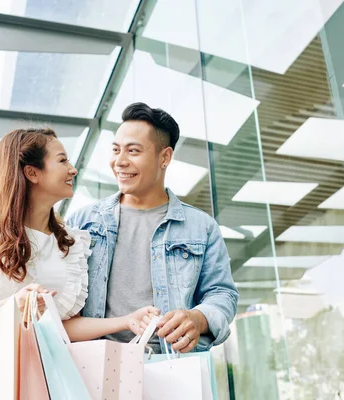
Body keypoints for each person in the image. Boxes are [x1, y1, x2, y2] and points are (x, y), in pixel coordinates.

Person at [0, 128, 157, 386]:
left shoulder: (70, 244)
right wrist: (16, 306)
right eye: (62, 160)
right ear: (32, 173)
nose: (73, 169)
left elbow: (61, 328)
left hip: (47, 381)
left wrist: (126, 321)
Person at [66, 102, 239, 355]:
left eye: (133, 151)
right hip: (96, 362)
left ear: (164, 157)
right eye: (116, 150)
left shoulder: (201, 227)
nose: (119, 162)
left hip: (172, 362)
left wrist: (198, 318)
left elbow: (222, 293)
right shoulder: (82, 222)